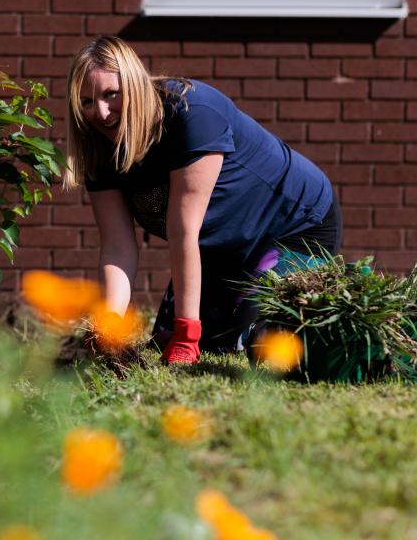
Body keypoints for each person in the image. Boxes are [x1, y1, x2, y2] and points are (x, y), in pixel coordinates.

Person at [64, 36, 342, 365]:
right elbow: (117, 247)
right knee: (162, 342)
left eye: (112, 94)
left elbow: (184, 232)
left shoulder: (191, 114)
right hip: (223, 247)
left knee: (259, 342)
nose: (102, 112)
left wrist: (188, 334)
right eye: (86, 102)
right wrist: (106, 328)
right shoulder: (98, 146)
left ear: (135, 84)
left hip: (295, 226)